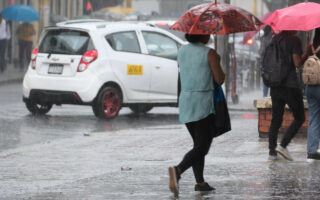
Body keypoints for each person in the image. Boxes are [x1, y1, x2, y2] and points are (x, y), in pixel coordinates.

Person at [168, 34, 225, 197]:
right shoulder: (210, 53)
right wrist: (217, 61)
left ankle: (200, 182)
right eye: (207, 33)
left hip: (186, 102)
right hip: (203, 104)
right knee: (202, 147)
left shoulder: (182, 51)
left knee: (198, 145)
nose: (209, 35)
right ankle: (177, 170)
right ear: (203, 36)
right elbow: (220, 79)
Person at [268, 31, 305, 161]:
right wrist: (305, 55)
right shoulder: (294, 40)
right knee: (300, 117)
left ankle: (272, 152)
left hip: (275, 84)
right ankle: (283, 145)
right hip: (290, 85)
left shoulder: (274, 40)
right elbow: (297, 63)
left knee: (276, 119)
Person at [301, 28, 320, 161]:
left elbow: (301, 63)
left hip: (310, 87)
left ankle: (312, 152)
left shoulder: (311, 46)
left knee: (313, 118)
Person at [260, 26, 273, 98]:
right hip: (273, 63)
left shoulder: (264, 39)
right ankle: (271, 95)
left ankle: (265, 96)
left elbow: (262, 51)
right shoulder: (273, 38)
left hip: (265, 63)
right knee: (272, 79)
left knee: (265, 79)